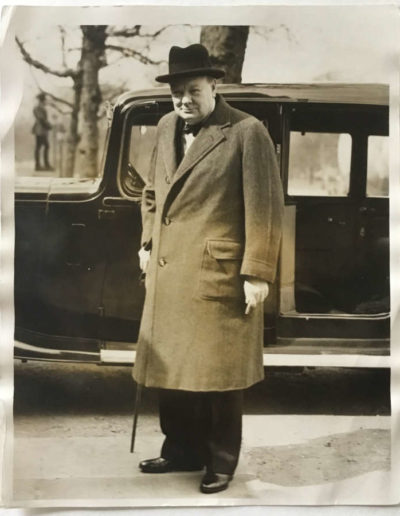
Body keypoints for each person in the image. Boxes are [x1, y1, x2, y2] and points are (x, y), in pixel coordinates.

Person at [132, 43, 284, 494]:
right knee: (170, 368)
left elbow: (265, 209)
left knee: (219, 374)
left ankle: (220, 461)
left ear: (215, 86)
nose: (184, 101)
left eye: (193, 91)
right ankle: (181, 449)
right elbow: (152, 193)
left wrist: (257, 271)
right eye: (177, 92)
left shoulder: (246, 132)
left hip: (216, 272)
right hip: (168, 269)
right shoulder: (163, 127)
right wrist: (146, 241)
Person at [32, 92, 53, 171]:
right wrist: (49, 126)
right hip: (40, 130)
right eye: (44, 100)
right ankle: (42, 165)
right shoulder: (38, 108)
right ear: (42, 100)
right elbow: (41, 119)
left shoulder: (40, 107)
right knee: (43, 147)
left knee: (41, 147)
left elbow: (42, 119)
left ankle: (41, 165)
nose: (45, 101)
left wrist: (48, 125)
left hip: (41, 130)